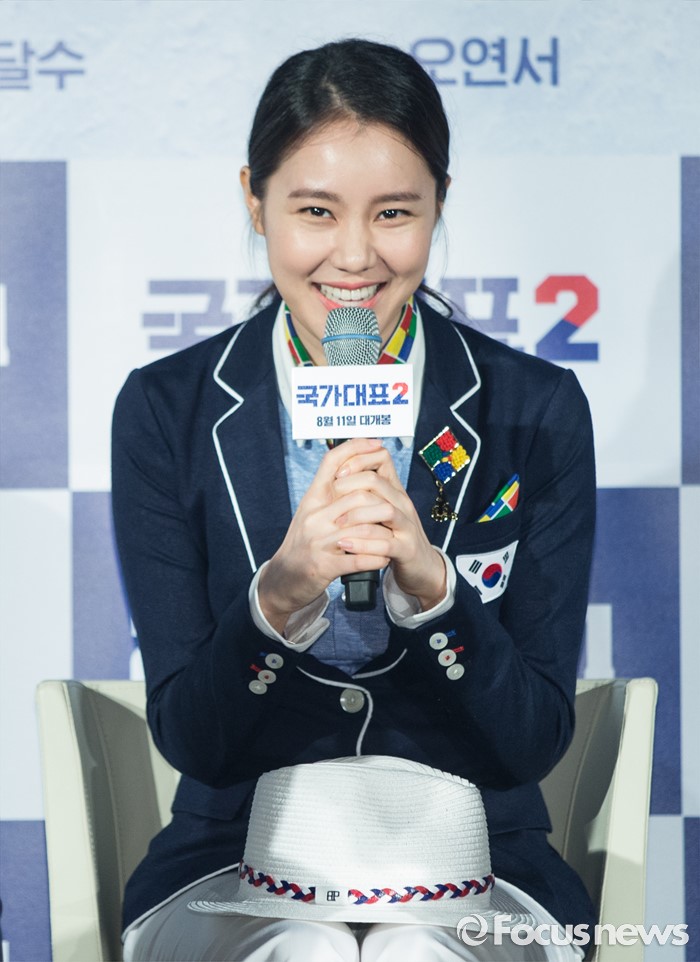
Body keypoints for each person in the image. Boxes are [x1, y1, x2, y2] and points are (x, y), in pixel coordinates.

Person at [112, 37, 597, 962]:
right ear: (254, 200)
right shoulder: (168, 410)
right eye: (315, 211)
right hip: (232, 858)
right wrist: (278, 598)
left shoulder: (532, 409)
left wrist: (436, 595)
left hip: (478, 859)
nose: (354, 256)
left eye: (394, 213)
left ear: (439, 203)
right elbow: (194, 741)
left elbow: (533, 738)